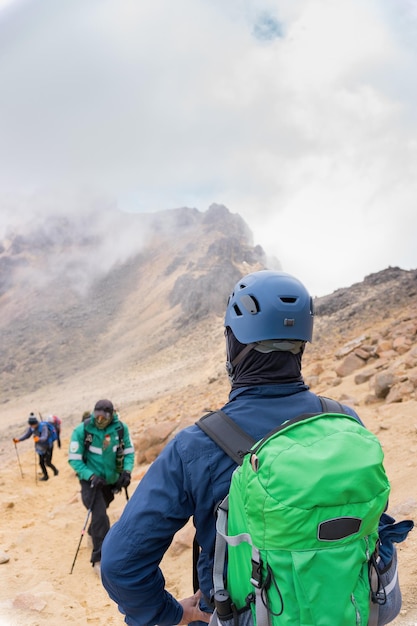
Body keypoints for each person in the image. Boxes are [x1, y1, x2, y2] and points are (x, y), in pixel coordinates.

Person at [100, 269, 365, 626]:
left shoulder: (196, 446)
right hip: (348, 610)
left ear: (233, 342)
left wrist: (170, 615)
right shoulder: (345, 422)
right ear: (302, 341)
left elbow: (120, 564)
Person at [68, 399, 135, 576]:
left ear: (112, 414)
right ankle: (100, 559)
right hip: (90, 482)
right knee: (101, 517)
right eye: (97, 415)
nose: (100, 419)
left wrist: (126, 472)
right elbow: (74, 459)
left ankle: (93, 533)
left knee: (100, 513)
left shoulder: (120, 429)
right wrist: (90, 475)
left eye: (104, 416)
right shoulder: (82, 430)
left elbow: (128, 451)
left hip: (109, 482)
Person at [13, 412, 59, 481]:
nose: (32, 426)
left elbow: (45, 437)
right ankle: (46, 476)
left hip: (48, 446)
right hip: (40, 447)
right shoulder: (31, 428)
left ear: (36, 423)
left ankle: (55, 471)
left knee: (48, 462)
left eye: (33, 425)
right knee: (41, 462)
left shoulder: (43, 427)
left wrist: (38, 439)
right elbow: (27, 435)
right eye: (31, 425)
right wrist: (18, 440)